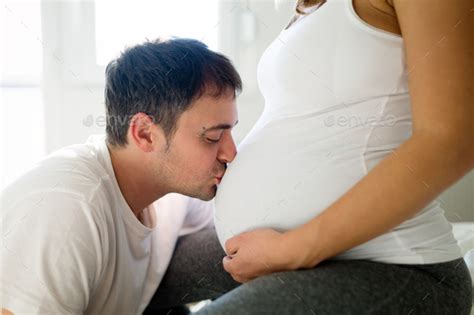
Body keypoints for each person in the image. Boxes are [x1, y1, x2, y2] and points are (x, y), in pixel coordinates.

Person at [148, 0, 473, 314]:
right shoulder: (310, 7)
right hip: (285, 244)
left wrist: (289, 251)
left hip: (393, 264)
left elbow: (453, 140)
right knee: (138, 280)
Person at [0, 38, 242, 314]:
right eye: (212, 137)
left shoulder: (171, 196)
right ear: (144, 133)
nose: (231, 153)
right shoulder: (69, 210)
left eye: (231, 132)